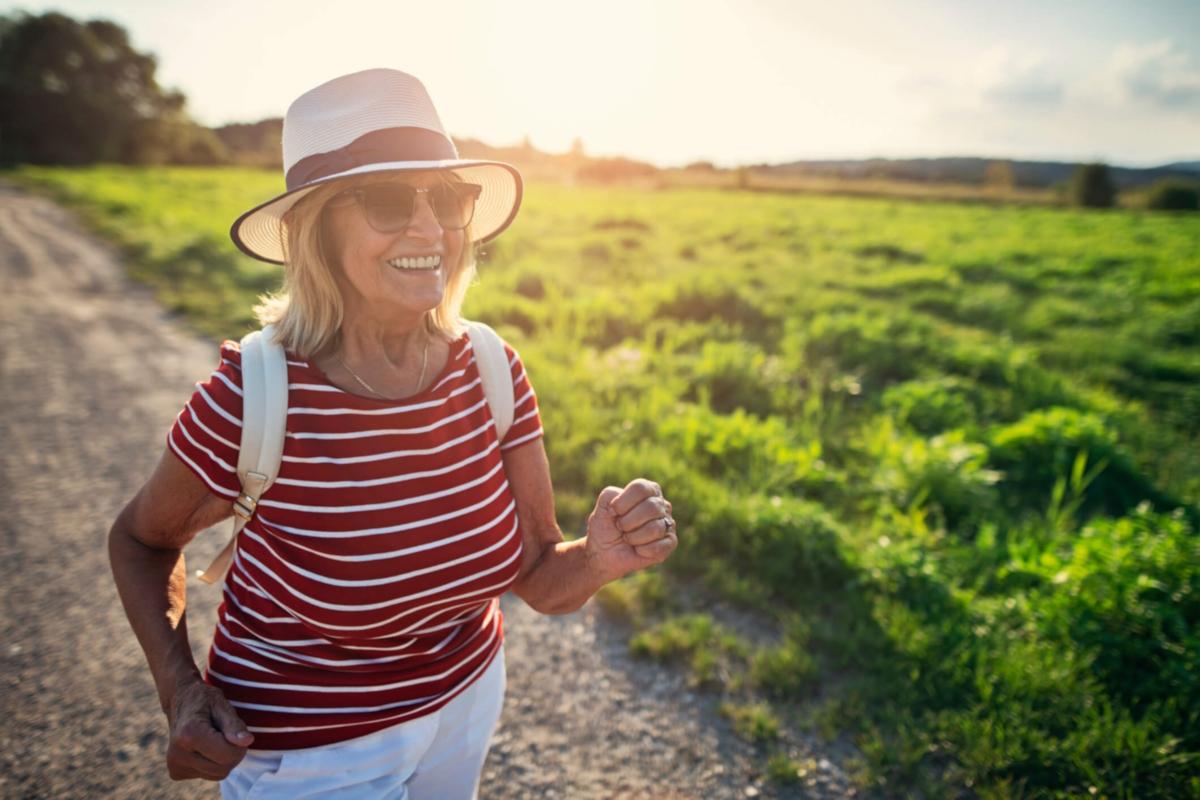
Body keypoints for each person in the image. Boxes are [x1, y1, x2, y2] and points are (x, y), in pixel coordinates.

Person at [108, 68, 678, 799]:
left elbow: (539, 575)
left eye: (446, 198)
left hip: (466, 702)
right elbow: (140, 541)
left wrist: (598, 559)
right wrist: (180, 690)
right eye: (386, 200)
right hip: (309, 745)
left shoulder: (491, 369)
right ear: (316, 227)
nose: (429, 227)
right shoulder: (253, 397)